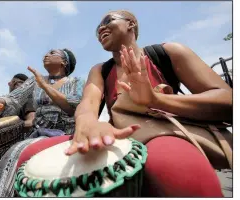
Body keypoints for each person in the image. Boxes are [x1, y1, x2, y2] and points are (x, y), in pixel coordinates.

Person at [65, 10, 232, 197]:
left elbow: (228, 100)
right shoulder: (100, 70)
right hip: (121, 137)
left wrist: (156, 99)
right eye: (98, 28)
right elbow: (88, 102)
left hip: (168, 133)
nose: (101, 28)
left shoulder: (169, 52)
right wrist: (87, 122)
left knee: (178, 170)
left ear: (130, 24)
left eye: (107, 20)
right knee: (32, 150)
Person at [0, 48, 85, 137]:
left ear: (64, 62)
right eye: (46, 53)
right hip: (37, 135)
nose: (46, 55)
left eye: (52, 53)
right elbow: (14, 97)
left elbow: (72, 108)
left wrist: (44, 85)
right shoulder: (35, 80)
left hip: (65, 136)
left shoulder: (76, 81)